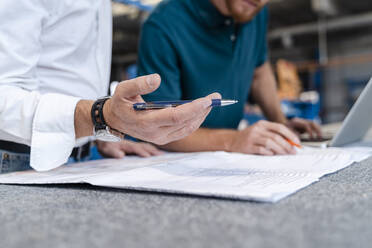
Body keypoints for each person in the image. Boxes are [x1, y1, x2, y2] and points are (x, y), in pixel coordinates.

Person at [0, 0, 219, 173]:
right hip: (14, 160)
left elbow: (65, 73)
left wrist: (99, 134)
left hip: (74, 158)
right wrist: (100, 116)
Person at [138, 0, 322, 156]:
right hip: (173, 161)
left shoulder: (254, 10)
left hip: (228, 157)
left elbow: (259, 72)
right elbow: (158, 128)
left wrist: (281, 125)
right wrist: (234, 140)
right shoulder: (163, 25)